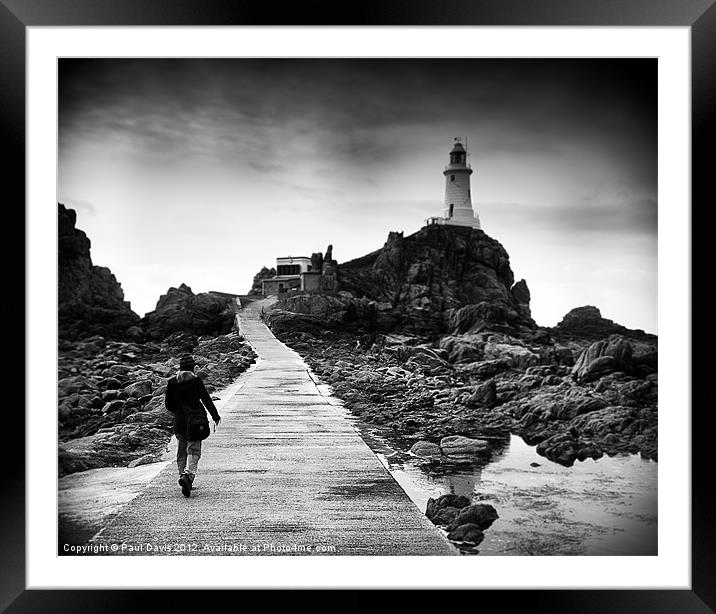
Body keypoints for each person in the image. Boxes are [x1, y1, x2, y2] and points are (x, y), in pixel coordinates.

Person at [164, 354, 221, 497]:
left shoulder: (172, 382)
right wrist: (215, 416)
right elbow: (206, 399)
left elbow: (168, 405)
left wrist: (178, 412)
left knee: (182, 451)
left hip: (179, 422)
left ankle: (182, 475)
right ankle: (188, 476)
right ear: (192, 368)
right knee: (193, 450)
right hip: (195, 422)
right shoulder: (196, 381)